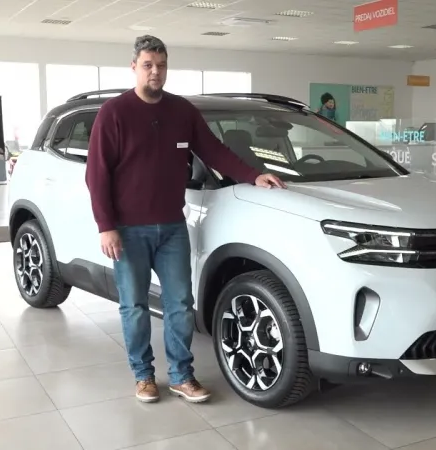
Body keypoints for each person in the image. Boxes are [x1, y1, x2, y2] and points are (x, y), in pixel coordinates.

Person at [85, 35, 286, 404]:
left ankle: (181, 375)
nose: (155, 72)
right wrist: (106, 226)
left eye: (161, 65)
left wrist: (253, 175)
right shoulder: (114, 113)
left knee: (179, 304)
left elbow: (214, 151)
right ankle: (144, 376)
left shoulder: (181, 111)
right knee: (134, 306)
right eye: (148, 65)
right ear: (134, 67)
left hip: (172, 228)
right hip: (128, 230)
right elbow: (96, 175)